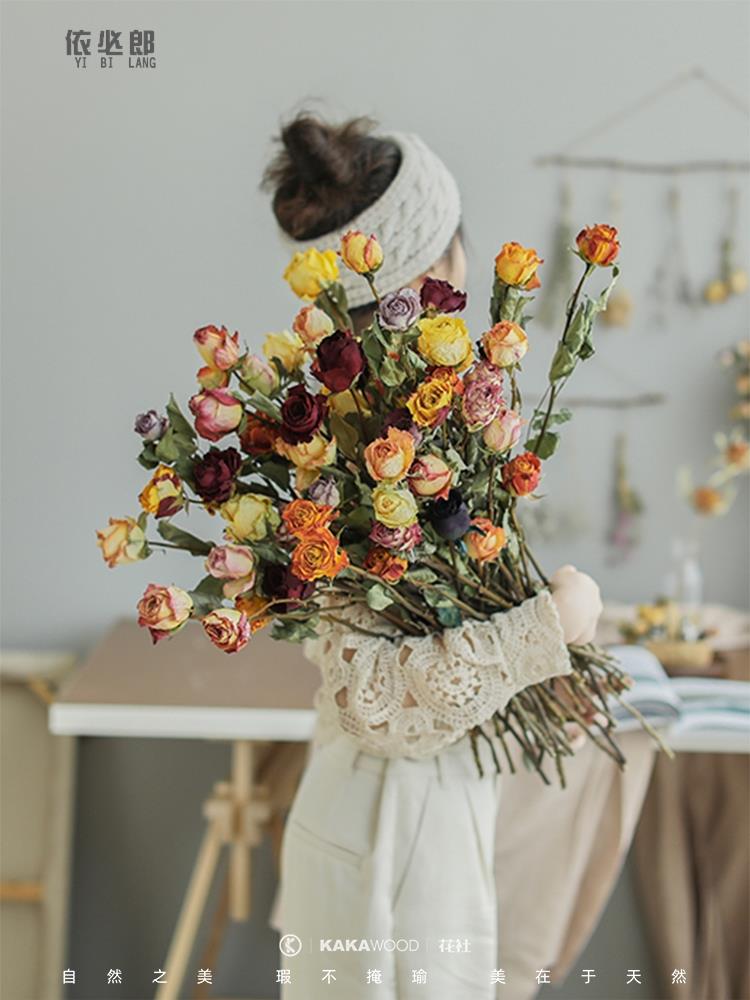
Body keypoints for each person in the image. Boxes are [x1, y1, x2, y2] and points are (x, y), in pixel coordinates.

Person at [263, 114, 612, 1000]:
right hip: (387, 841)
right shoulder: (341, 459)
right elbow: (374, 700)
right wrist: (548, 629)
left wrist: (541, 667)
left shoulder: (421, 425)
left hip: (415, 830)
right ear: (443, 271)